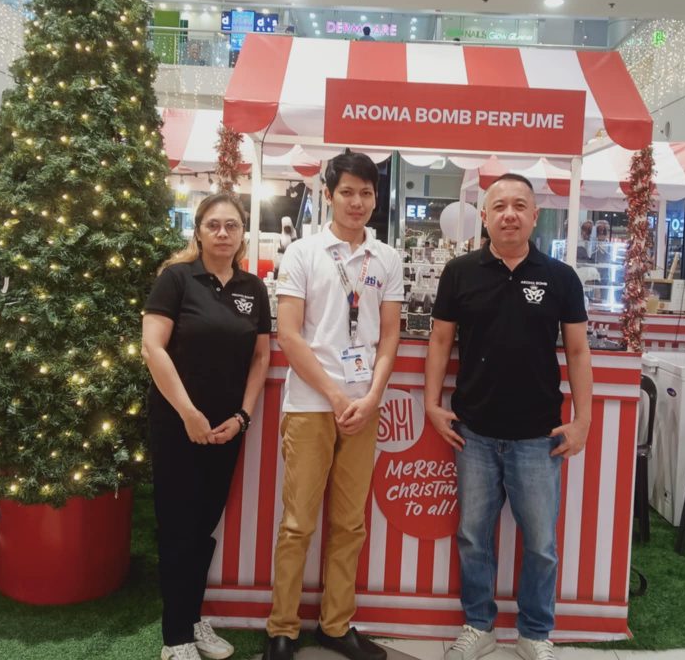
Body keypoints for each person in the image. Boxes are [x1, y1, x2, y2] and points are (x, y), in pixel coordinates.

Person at [424, 173, 593, 660]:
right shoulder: (459, 272)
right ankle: (479, 626)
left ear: (535, 216)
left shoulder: (561, 278)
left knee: (540, 543)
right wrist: (432, 404)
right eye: (500, 206)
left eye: (520, 205)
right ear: (484, 216)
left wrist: (583, 419)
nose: (510, 214)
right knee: (473, 537)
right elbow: (439, 340)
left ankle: (535, 632)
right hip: (472, 432)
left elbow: (578, 352)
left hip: (539, 435)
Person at [264, 151, 403, 660]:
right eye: (348, 191)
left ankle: (336, 624)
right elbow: (289, 335)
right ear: (329, 195)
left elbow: (390, 339)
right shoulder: (303, 253)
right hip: (311, 405)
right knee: (298, 521)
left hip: (364, 406)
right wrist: (338, 394)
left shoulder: (387, 258)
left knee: (350, 524)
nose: (357, 202)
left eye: (366, 193)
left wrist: (371, 397)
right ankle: (282, 628)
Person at [142, 193, 272, 660]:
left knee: (203, 526)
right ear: (197, 231)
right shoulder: (176, 279)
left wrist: (242, 416)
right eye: (213, 225)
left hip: (227, 429)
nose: (222, 233)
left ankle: (193, 618)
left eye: (231, 226)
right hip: (178, 423)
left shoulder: (252, 288)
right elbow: (153, 349)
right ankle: (174, 638)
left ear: (242, 234)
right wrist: (189, 414)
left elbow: (261, 357)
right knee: (178, 527)